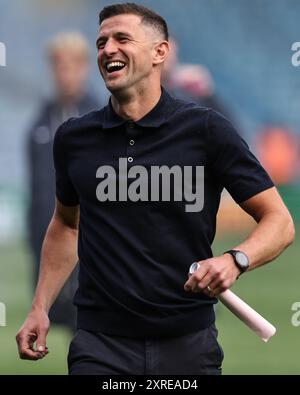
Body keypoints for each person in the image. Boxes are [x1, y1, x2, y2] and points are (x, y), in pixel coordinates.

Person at [17, 3, 294, 375]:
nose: (107, 49)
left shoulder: (207, 130)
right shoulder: (74, 138)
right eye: (101, 42)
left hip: (187, 342)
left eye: (121, 38)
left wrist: (235, 260)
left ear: (159, 52)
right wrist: (40, 306)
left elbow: (279, 221)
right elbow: (67, 225)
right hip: (100, 344)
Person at [26, 32, 99, 333]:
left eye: (71, 64)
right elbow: (38, 184)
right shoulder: (41, 122)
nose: (64, 72)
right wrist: (35, 233)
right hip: (52, 234)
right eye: (58, 65)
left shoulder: (102, 117)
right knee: (62, 320)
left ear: (84, 67)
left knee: (91, 321)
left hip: (93, 237)